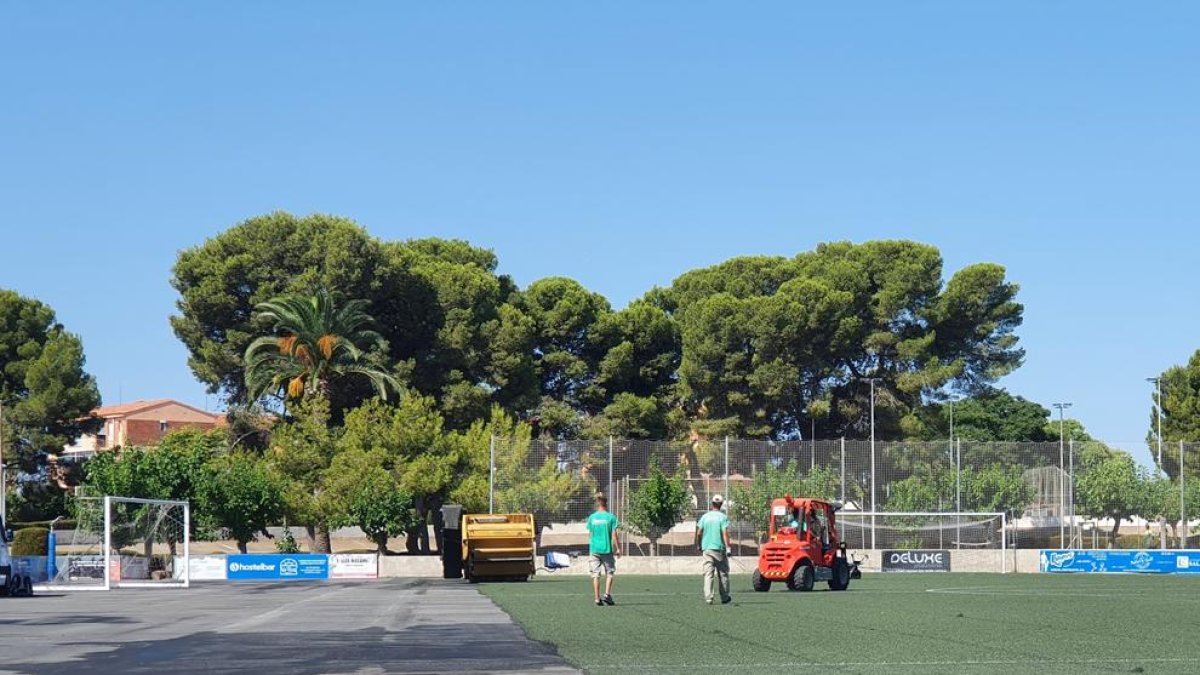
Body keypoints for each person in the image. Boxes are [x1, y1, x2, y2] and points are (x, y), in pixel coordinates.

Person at [695, 494, 732, 605]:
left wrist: (699, 544)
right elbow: (724, 533)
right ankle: (724, 597)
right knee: (723, 574)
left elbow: (699, 533)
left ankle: (709, 598)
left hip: (707, 549)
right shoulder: (722, 517)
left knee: (708, 574)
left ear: (712, 504)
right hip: (719, 549)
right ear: (721, 504)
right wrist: (728, 547)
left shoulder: (705, 517)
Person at [586, 493, 620, 607]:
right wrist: (618, 548)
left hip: (594, 550)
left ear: (597, 504)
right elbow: (614, 535)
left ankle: (597, 599)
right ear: (606, 504)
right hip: (607, 550)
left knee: (595, 575)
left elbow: (590, 535)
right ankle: (607, 595)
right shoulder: (611, 517)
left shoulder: (592, 518)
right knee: (609, 573)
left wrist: (592, 546)